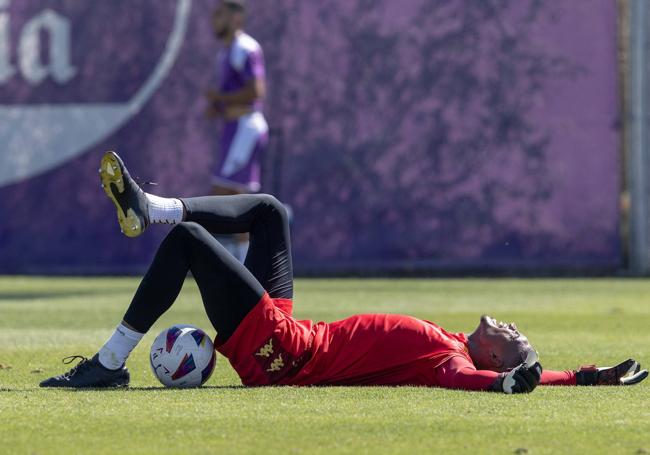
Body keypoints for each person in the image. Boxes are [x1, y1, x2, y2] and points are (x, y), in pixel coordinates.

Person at [39, 152, 649, 392]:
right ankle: (154, 208)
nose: (513, 327)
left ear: (494, 360)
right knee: (271, 211)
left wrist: (507, 386)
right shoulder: (452, 341)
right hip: (293, 331)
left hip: (283, 355)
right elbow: (531, 372)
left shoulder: (452, 364)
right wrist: (588, 376)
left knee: (191, 245)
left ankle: (109, 364)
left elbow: (470, 384)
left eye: (515, 340)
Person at [205, 0, 268, 262]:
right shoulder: (226, 52)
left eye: (220, 14)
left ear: (235, 18)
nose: (214, 20)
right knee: (231, 196)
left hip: (245, 128)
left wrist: (219, 97)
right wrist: (218, 107)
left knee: (226, 195)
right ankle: (244, 262)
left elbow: (256, 92)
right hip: (234, 127)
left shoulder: (245, 47)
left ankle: (244, 263)